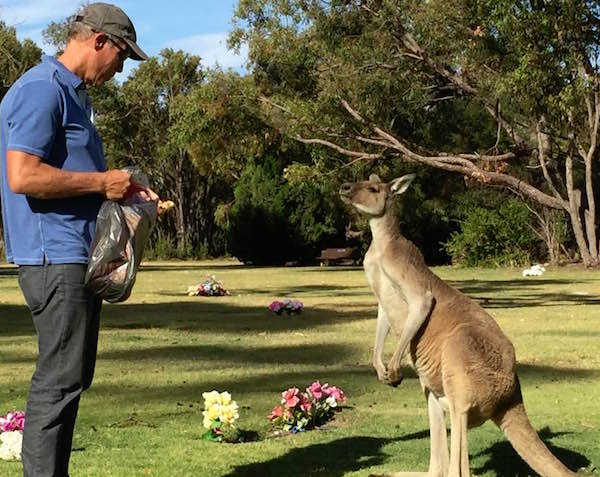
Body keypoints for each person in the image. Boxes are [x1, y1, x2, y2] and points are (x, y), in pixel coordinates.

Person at [0, 3, 149, 476]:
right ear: (98, 41)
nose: (121, 68)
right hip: (53, 259)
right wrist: (100, 183)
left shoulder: (74, 95)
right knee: (58, 381)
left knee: (71, 378)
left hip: (76, 258)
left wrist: (122, 188)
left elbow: (74, 172)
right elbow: (22, 175)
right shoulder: (43, 90)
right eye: (122, 56)